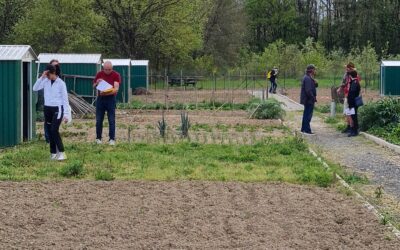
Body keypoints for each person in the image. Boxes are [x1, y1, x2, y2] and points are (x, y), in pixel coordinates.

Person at [33, 64, 71, 160]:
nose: (47, 77)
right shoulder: (45, 81)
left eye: (48, 75)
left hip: (57, 109)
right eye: (46, 75)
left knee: (54, 130)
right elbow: (35, 88)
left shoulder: (61, 83)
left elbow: (65, 99)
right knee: (50, 131)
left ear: (53, 73)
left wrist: (66, 114)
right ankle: (53, 153)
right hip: (47, 108)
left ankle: (62, 152)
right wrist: (42, 77)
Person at [93, 61, 121, 145]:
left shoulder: (116, 75)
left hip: (110, 99)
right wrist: (97, 82)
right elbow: (93, 86)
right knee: (99, 120)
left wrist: (106, 93)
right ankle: (98, 139)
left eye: (109, 69)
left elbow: (116, 89)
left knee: (111, 120)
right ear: (103, 68)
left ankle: (112, 139)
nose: (107, 71)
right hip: (100, 99)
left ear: (112, 68)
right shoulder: (99, 74)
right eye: (106, 69)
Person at [42, 59, 63, 143]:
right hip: (48, 104)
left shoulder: (59, 79)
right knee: (47, 123)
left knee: (54, 125)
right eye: (53, 65)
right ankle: (48, 139)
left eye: (56, 65)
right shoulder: (46, 79)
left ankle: (53, 139)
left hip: (56, 105)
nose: (55, 67)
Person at [338, 62, 359, 133]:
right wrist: (341, 89)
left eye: (347, 68)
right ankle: (349, 126)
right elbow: (344, 83)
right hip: (347, 96)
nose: (346, 69)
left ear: (350, 68)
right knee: (347, 112)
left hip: (351, 97)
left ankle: (352, 127)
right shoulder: (347, 75)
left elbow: (353, 87)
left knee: (351, 112)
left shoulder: (354, 76)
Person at [300, 64, 318, 135]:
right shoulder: (307, 78)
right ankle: (307, 130)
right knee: (308, 115)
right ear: (311, 70)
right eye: (314, 69)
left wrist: (315, 83)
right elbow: (308, 90)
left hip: (308, 99)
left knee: (306, 114)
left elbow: (313, 86)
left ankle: (303, 129)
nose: (315, 71)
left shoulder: (309, 77)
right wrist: (313, 98)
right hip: (308, 100)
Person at [346, 70, 361, 137]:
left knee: (354, 117)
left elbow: (352, 94)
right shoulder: (355, 82)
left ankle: (355, 131)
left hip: (353, 103)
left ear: (350, 76)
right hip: (353, 102)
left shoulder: (354, 83)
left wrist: (350, 104)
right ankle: (354, 130)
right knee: (353, 116)